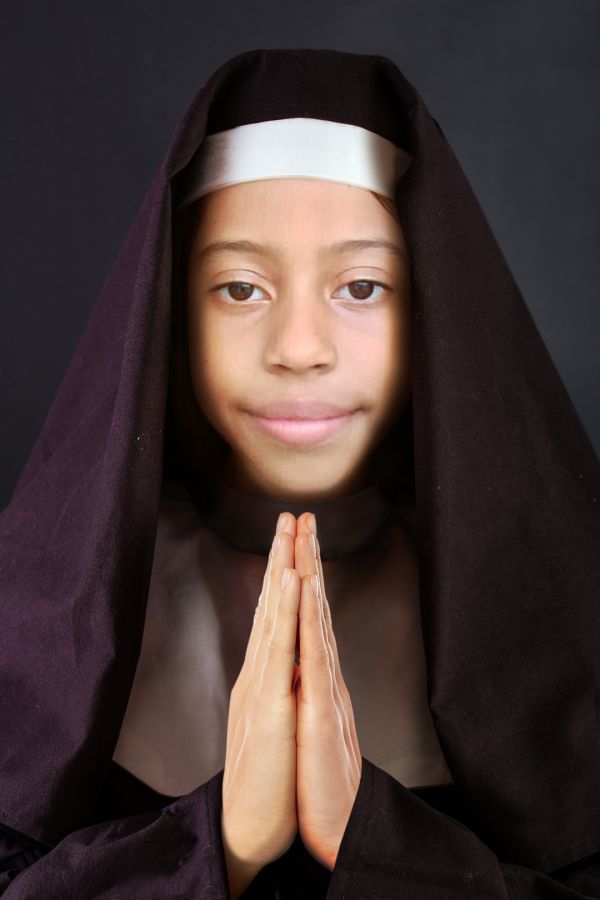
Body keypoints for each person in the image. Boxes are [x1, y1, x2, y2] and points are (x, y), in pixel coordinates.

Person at [0, 47, 599, 899]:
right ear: (172, 316)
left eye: (362, 287)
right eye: (241, 289)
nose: (299, 349)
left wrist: (372, 839)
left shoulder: (568, 614)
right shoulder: (39, 610)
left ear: (436, 309)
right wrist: (221, 843)